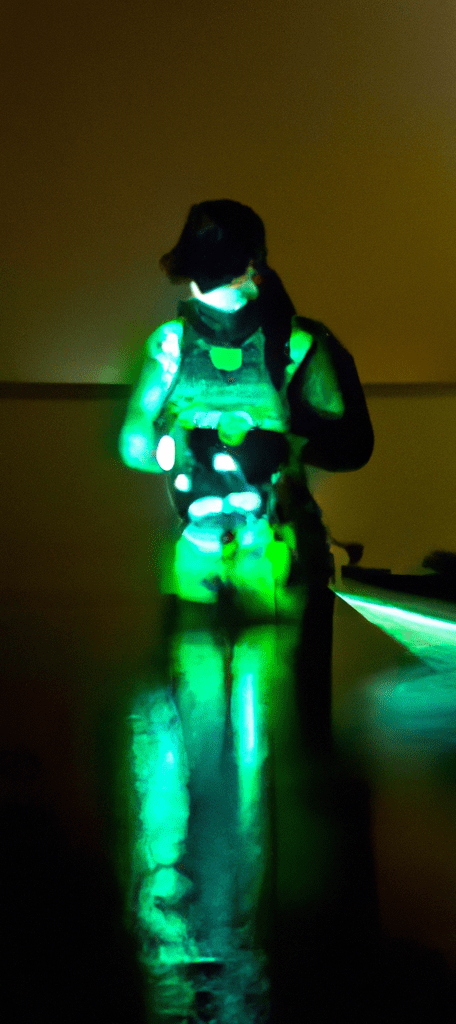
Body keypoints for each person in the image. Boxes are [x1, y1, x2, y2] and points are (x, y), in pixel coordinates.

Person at [119, 200, 373, 1022]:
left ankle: (294, 931)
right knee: (194, 774)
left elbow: (356, 442)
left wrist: (287, 438)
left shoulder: (302, 346)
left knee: (285, 767)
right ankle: (206, 932)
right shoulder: (167, 345)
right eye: (195, 270)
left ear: (256, 266)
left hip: (279, 578)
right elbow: (131, 444)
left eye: (221, 271)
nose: (206, 285)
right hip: (197, 582)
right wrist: (174, 447)